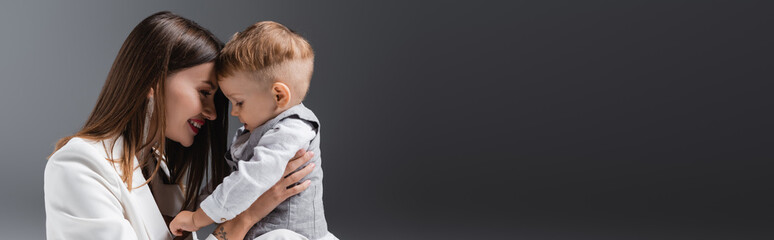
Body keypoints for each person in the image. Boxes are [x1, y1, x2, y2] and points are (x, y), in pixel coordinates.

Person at [44, 11, 314, 240]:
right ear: (153, 81)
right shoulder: (77, 165)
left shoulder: (158, 168)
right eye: (204, 93)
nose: (212, 114)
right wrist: (246, 218)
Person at [169, 21, 335, 240]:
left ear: (279, 96)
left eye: (238, 102)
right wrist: (196, 207)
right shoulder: (263, 130)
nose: (234, 113)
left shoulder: (293, 128)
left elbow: (250, 179)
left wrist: (196, 219)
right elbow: (230, 179)